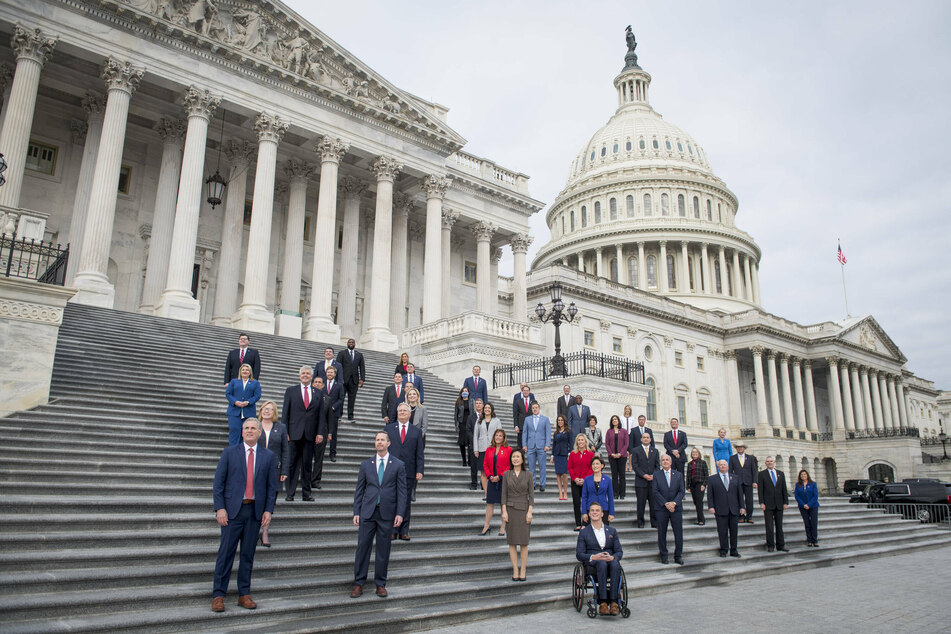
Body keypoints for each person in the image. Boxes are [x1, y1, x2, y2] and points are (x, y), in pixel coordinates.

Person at [211, 418, 278, 612]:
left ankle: (244, 594)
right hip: (232, 511)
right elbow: (218, 484)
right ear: (242, 432)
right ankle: (218, 595)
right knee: (226, 554)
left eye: (253, 428)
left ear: (259, 433)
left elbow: (271, 488)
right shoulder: (230, 453)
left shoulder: (268, 456)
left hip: (254, 512)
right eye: (246, 428)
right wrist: (220, 508)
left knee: (248, 555)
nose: (249, 431)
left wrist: (268, 510)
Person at [350, 431, 407, 599]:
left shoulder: (398, 465)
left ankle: (380, 584)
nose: (379, 442)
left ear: (388, 443)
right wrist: (356, 512)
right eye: (377, 440)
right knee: (362, 549)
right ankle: (358, 583)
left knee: (383, 550)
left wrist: (400, 513)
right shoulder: (366, 465)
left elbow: (402, 492)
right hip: (368, 512)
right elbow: (359, 490)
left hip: (387, 513)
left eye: (382, 440)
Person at [282, 366, 325, 502]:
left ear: (312, 376)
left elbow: (321, 415)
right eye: (303, 373)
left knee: (307, 465)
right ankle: (290, 493)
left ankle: (307, 493)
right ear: (299, 376)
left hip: (310, 434)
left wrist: (320, 433)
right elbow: (285, 413)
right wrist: (285, 432)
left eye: (308, 373)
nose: (305, 375)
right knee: (292, 464)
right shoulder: (290, 391)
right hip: (294, 433)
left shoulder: (317, 393)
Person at [575, 501, 623, 616]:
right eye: (592, 511)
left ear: (602, 514)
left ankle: (614, 602)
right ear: (589, 514)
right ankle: (602, 603)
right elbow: (579, 554)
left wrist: (612, 557)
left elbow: (619, 552)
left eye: (597, 510)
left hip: (609, 560)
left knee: (615, 564)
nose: (595, 512)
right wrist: (593, 557)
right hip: (593, 564)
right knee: (601, 564)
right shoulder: (584, 533)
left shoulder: (612, 531)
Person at [384, 404, 424, 541]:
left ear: (409, 414)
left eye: (404, 411)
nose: (402, 412)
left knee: (406, 501)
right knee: (392, 500)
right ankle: (393, 530)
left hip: (409, 471)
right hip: (391, 470)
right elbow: (384, 451)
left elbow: (419, 453)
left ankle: (404, 530)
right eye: (399, 410)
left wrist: (420, 470)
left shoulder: (416, 431)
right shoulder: (388, 429)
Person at [256, 401, 288, 547]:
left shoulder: (281, 427)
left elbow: (285, 451)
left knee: (270, 501)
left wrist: (285, 470)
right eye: (264, 409)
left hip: (274, 469)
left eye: (270, 409)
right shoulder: (254, 425)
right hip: (255, 469)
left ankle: (265, 531)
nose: (266, 411)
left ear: (274, 412)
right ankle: (254, 529)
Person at [501, 448, 534, 581]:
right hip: (510, 509)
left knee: (524, 542)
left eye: (518, 456)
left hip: (524, 509)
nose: (515, 459)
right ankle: (515, 569)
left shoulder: (528, 475)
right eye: (513, 456)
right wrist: (504, 511)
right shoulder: (506, 474)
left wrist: (530, 512)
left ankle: (523, 569)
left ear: (522, 459)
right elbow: (503, 495)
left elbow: (531, 496)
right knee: (512, 542)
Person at [707, 459, 745, 557]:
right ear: (718, 467)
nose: (723, 466)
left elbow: (740, 494)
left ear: (728, 467)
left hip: (734, 509)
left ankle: (734, 550)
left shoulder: (735, 478)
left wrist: (742, 506)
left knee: (734, 531)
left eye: (724, 465)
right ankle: (723, 550)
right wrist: (711, 506)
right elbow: (710, 495)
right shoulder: (712, 479)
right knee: (722, 531)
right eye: (721, 465)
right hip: (720, 509)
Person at [652, 454, 685, 564]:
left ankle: (678, 555)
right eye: (663, 460)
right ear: (661, 462)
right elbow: (655, 491)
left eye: (667, 460)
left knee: (678, 533)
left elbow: (681, 491)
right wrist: (666, 503)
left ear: (671, 462)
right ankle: (664, 556)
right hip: (662, 508)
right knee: (662, 533)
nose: (665, 461)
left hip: (676, 508)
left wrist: (674, 503)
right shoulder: (656, 475)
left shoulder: (678, 475)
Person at [482, 428, 512, 536]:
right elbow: (485, 464)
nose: (498, 437)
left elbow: (510, 465)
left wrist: (500, 476)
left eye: (500, 436)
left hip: (503, 481)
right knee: (490, 503)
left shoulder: (508, 449)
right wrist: (490, 476)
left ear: (503, 438)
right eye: (496, 435)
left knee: (502, 504)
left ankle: (503, 527)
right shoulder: (489, 449)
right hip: (491, 480)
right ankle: (486, 526)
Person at [757, 455, 789, 552]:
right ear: (765, 463)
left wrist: (785, 502)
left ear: (774, 462)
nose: (770, 463)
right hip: (768, 504)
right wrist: (761, 502)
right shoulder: (762, 474)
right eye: (768, 461)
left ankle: (781, 545)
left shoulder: (780, 473)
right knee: (769, 526)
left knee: (779, 525)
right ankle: (770, 545)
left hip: (779, 503)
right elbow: (760, 490)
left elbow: (784, 489)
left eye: (771, 461)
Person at [225, 363, 260, 445]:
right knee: (235, 431)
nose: (245, 371)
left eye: (247, 370)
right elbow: (228, 393)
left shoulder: (255, 383)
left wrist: (248, 402)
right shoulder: (234, 381)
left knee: (247, 434)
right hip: (234, 412)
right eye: (243, 370)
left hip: (248, 412)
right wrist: (235, 402)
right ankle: (233, 453)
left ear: (250, 372)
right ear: (240, 372)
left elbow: (257, 395)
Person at [308, 376, 332, 491]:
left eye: (320, 382)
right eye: (315, 382)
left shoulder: (327, 399)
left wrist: (330, 433)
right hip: (308, 431)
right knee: (306, 456)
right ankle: (306, 478)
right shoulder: (307, 397)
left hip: (322, 432)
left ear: (323, 385)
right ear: (312, 384)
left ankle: (316, 480)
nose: (317, 384)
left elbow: (330, 418)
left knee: (319, 458)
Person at [472, 402, 502, 498]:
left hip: (493, 448)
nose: (487, 409)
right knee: (484, 472)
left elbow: (500, 435)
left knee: (494, 471)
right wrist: (476, 449)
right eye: (486, 408)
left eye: (489, 408)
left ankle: (494, 492)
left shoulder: (496, 421)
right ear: (483, 410)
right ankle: (486, 493)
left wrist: (499, 447)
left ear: (492, 410)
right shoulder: (479, 421)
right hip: (482, 449)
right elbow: (475, 436)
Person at [631, 430, 659, 528]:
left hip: (652, 482)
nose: (646, 439)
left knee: (653, 504)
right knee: (641, 504)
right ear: (641, 439)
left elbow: (657, 466)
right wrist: (643, 475)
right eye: (644, 437)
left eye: (648, 437)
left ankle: (654, 522)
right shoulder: (636, 450)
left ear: (650, 439)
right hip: (640, 482)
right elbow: (635, 465)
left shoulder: (655, 451)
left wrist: (653, 475)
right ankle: (640, 522)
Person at [567, 434, 595, 531]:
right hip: (575, 482)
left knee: (586, 502)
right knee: (576, 502)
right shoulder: (572, 454)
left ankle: (585, 523)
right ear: (576, 442)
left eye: (582, 440)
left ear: (585, 441)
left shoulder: (591, 454)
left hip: (586, 482)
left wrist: (584, 479)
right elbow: (570, 467)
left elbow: (592, 468)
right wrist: (575, 479)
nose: (581, 442)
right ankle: (578, 523)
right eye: (579, 440)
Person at [521, 401, 550, 492]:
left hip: (542, 446)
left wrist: (547, 444)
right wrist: (524, 444)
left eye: (536, 407)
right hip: (530, 446)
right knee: (531, 467)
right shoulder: (527, 419)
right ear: (531, 409)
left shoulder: (545, 419)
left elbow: (548, 433)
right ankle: (532, 484)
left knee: (542, 467)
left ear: (539, 408)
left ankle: (542, 484)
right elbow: (524, 432)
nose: (534, 409)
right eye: (533, 408)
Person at [336, 338, 365, 422]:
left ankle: (350, 416)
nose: (351, 343)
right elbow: (338, 366)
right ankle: (339, 415)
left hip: (354, 381)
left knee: (352, 399)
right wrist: (339, 378)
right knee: (341, 398)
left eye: (353, 342)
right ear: (347, 343)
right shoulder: (342, 353)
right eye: (349, 342)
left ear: (355, 344)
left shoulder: (359, 355)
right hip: (343, 380)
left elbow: (362, 367)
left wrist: (362, 379)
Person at [729, 441, 758, 523]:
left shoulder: (750, 458)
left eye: (741, 447)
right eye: (738, 447)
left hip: (748, 481)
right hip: (737, 482)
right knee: (739, 499)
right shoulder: (732, 458)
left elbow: (754, 470)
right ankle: (741, 516)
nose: (739, 448)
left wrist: (754, 481)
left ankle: (749, 516)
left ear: (744, 448)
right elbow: (730, 471)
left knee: (749, 500)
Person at [581, 455, 615, 525]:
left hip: (604, 509)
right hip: (590, 509)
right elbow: (584, 497)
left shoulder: (607, 480)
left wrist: (611, 513)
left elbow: (610, 498)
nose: (595, 466)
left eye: (597, 464)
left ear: (602, 465)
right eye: (593, 464)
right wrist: (584, 512)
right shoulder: (587, 479)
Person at [322, 366, 344, 462]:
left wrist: (333, 407)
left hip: (334, 412)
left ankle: (333, 453)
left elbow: (341, 399)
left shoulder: (339, 385)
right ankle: (319, 452)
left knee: (333, 434)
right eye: (328, 372)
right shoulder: (322, 384)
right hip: (322, 413)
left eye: (332, 372)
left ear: (335, 374)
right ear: (326, 373)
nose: (330, 374)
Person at [794, 469, 820, 547]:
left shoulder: (813, 484)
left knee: (813, 523)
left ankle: (815, 540)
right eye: (802, 475)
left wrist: (809, 504)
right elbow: (796, 496)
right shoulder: (797, 484)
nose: (803, 476)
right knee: (807, 523)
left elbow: (815, 496)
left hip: (813, 506)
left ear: (807, 475)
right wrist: (803, 504)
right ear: (800, 476)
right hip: (803, 507)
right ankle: (809, 540)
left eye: (804, 474)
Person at [605, 416, 629, 500]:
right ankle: (615, 493)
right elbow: (607, 444)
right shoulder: (609, 431)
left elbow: (626, 444)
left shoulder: (624, 431)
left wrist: (620, 453)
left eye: (616, 419)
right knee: (614, 475)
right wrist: (611, 453)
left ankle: (622, 494)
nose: (614, 421)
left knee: (622, 475)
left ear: (618, 421)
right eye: (613, 420)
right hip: (612, 457)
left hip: (622, 456)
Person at [685, 447, 709, 525]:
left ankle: (701, 520)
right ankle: (701, 517)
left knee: (699, 502)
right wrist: (688, 486)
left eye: (696, 452)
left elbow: (706, 475)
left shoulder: (703, 462)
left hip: (700, 484)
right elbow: (688, 476)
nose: (694, 454)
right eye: (693, 453)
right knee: (696, 501)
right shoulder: (690, 464)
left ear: (698, 454)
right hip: (692, 485)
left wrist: (704, 484)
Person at [551, 415, 572, 500]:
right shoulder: (556, 432)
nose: (560, 421)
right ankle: (560, 493)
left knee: (564, 474)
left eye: (561, 420)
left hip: (564, 454)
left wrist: (570, 454)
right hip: (557, 454)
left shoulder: (568, 431)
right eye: (558, 420)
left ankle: (565, 492)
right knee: (558, 474)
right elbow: (554, 445)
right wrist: (552, 456)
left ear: (564, 421)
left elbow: (571, 443)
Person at [465, 398, 484, 490]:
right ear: (475, 405)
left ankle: (484, 483)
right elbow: (468, 430)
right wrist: (474, 440)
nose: (478, 405)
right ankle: (474, 483)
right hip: (473, 445)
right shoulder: (470, 417)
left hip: (484, 445)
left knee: (484, 466)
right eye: (477, 403)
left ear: (483, 405)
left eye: (480, 403)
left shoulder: (486, 417)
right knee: (473, 466)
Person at [512, 383, 535, 449]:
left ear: (529, 392)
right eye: (524, 390)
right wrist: (516, 426)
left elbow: (536, 413)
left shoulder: (533, 401)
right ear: (522, 391)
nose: (525, 392)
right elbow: (515, 415)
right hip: (521, 426)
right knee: (520, 445)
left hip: (531, 426)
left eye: (527, 390)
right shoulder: (518, 402)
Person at [455, 387, 471, 468]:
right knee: (462, 443)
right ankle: (464, 460)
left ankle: (470, 460)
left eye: (466, 391)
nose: (465, 392)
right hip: (462, 423)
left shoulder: (471, 401)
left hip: (469, 423)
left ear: (468, 392)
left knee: (469, 442)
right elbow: (456, 414)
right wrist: (456, 425)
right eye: (463, 391)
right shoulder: (458, 402)